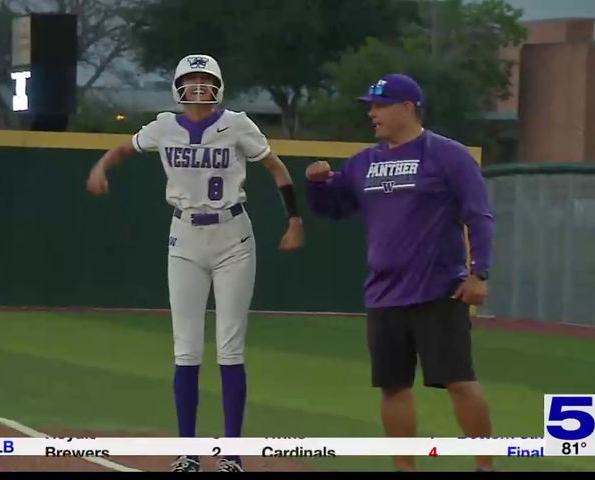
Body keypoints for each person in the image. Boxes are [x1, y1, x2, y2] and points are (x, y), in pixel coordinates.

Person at [87, 54, 304, 472]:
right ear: (178, 85)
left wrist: (294, 219)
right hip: (185, 234)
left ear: (219, 85)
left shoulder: (237, 123)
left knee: (229, 346)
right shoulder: (164, 126)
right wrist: (100, 166)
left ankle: (233, 453)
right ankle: (186, 450)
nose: (200, 86)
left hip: (232, 234)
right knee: (185, 348)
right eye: (192, 79)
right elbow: (124, 147)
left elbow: (277, 169)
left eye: (206, 79)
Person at [304, 73, 495, 472]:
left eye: (380, 105)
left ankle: (484, 466)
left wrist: (480, 272)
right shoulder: (363, 162)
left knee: (459, 381)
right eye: (371, 106)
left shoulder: (447, 154)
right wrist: (318, 185)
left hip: (439, 290)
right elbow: (333, 209)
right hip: (384, 293)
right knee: (393, 387)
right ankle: (405, 468)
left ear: (408, 108)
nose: (372, 113)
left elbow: (478, 215)